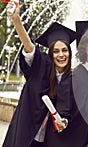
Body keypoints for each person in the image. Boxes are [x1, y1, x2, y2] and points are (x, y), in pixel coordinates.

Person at [3, 1, 76, 147]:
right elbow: (29, 47)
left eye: (64, 50)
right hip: (25, 135)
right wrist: (16, 20)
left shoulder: (72, 79)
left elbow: (69, 111)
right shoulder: (41, 66)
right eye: (56, 51)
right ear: (50, 53)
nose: (61, 55)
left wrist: (64, 122)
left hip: (48, 140)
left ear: (70, 52)